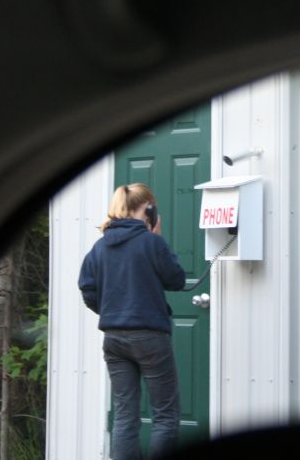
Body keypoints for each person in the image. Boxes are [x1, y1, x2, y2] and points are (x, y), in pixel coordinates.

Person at [79, 183, 186, 460]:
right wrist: (157, 238)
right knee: (165, 415)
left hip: (113, 338)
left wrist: (111, 311)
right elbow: (176, 280)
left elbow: (87, 289)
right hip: (150, 336)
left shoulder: (99, 247)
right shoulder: (151, 242)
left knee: (125, 415)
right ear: (148, 208)